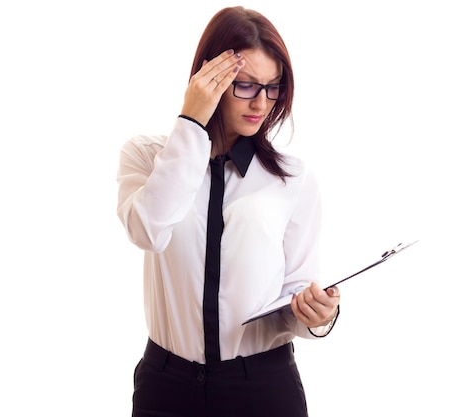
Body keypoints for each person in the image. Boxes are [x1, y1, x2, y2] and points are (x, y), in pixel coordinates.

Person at [116, 6, 341, 417]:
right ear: (209, 79)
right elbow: (149, 230)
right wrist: (192, 120)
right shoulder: (147, 157)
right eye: (245, 85)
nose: (262, 102)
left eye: (273, 87)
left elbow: (295, 292)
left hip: (261, 388)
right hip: (166, 386)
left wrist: (317, 315)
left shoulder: (292, 178)